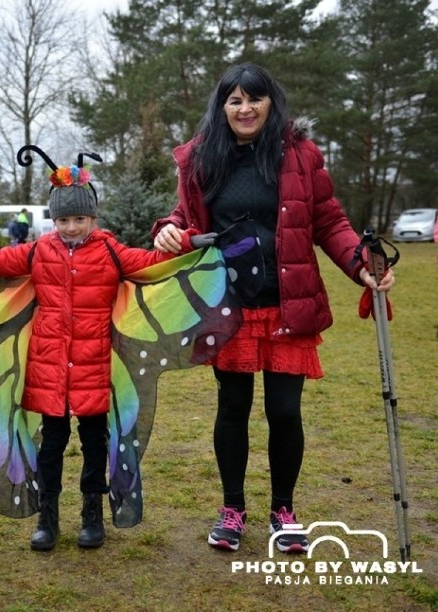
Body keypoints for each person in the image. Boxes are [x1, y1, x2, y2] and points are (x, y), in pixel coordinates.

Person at [151, 63, 395, 554]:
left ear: (270, 103)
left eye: (254, 99)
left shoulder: (298, 154)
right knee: (233, 407)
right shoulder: (201, 158)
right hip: (231, 306)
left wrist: (360, 263)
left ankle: (284, 511)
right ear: (222, 107)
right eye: (235, 100)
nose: (245, 109)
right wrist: (167, 228)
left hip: (289, 304)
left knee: (285, 411)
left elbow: (328, 220)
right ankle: (232, 511)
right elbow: (185, 214)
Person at [0, 151, 192, 551]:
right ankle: (47, 518)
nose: (70, 227)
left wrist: (186, 241)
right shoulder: (38, 250)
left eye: (79, 219)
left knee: (95, 444)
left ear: (93, 218)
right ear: (53, 220)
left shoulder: (110, 251)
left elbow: (150, 262)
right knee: (51, 444)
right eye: (63, 220)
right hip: (49, 369)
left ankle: (92, 515)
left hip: (95, 367)